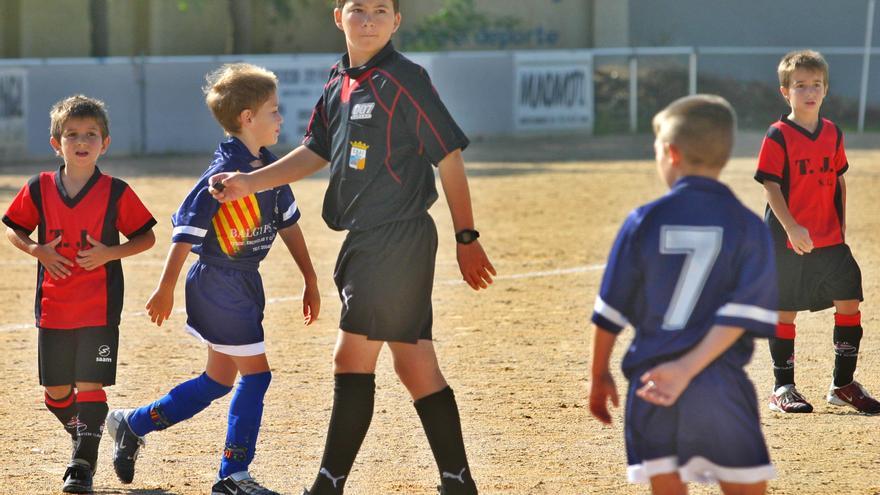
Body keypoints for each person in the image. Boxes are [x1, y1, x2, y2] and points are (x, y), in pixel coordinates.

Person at [209, 1, 495, 493]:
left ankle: (327, 484)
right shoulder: (338, 80)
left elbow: (447, 157)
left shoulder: (406, 79)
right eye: (357, 8)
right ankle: (458, 481)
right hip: (367, 239)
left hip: (396, 237)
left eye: (381, 10)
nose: (369, 19)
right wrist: (250, 182)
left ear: (397, 21)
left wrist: (466, 236)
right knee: (415, 364)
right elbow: (315, 151)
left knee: (350, 359)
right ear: (337, 15)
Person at [105, 63, 321, 495]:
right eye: (274, 111)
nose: (281, 118)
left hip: (243, 283)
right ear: (247, 118)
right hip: (218, 284)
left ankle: (132, 424)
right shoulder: (221, 176)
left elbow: (289, 224)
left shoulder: (269, 168)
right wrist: (165, 287)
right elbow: (184, 235)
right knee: (256, 377)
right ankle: (232, 475)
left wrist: (310, 279)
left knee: (218, 381)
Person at [589, 95, 778, 495]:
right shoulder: (747, 225)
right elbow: (740, 314)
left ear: (671, 153)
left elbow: (609, 312)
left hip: (652, 383)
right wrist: (690, 367)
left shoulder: (643, 220)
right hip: (720, 385)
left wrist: (598, 373)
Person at [3, 95, 157, 493]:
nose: (81, 141)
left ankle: (81, 466)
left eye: (91, 134)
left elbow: (146, 236)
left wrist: (110, 253)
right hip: (54, 308)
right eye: (72, 134)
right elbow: (14, 228)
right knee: (55, 392)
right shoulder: (38, 188)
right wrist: (37, 250)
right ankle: (91, 432)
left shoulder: (116, 191)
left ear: (104, 143)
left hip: (99, 307)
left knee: (90, 385)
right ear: (57, 143)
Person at [754, 50, 880, 414]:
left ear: (825, 90)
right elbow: (771, 186)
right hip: (787, 239)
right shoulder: (778, 135)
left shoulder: (832, 133)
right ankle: (783, 387)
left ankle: (843, 385)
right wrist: (791, 227)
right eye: (800, 86)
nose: (809, 92)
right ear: (785, 92)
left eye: (816, 85)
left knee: (850, 302)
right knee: (785, 309)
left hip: (829, 239)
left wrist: (840, 229)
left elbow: (839, 181)